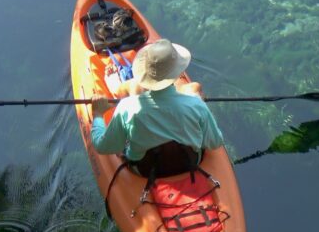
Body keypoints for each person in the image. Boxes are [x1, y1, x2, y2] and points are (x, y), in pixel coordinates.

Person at [90, 39, 224, 168]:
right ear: (178, 74)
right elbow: (215, 142)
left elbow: (102, 147)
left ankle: (116, 86)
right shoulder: (197, 106)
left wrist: (97, 115)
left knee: (134, 88)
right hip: (189, 163)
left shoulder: (126, 107)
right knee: (194, 89)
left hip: (144, 169)